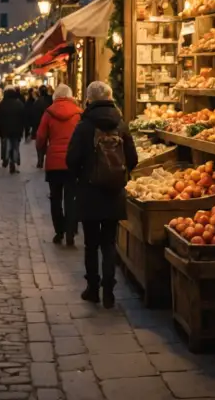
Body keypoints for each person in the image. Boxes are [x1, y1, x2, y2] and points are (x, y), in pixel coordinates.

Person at [66, 81, 138, 309]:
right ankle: (109, 292)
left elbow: (71, 159)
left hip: (89, 192)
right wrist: (120, 174)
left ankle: (92, 289)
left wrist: (82, 175)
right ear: (110, 97)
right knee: (109, 243)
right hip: (114, 192)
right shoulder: (121, 124)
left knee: (91, 244)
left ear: (89, 99)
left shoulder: (84, 126)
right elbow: (133, 158)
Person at [37, 84, 82, 245]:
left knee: (55, 198)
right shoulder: (78, 113)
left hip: (54, 162)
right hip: (73, 162)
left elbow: (41, 137)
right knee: (71, 197)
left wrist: (42, 153)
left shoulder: (49, 112)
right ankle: (70, 231)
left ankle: (59, 231)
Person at [0, 86, 25, 172]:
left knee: (7, 146)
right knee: (15, 147)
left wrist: (0, 130)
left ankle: (6, 159)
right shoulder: (19, 103)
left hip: (6, 130)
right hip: (16, 130)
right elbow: (23, 118)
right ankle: (14, 162)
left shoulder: (2, 104)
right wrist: (22, 129)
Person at [32, 86, 53, 167]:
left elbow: (34, 115)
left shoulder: (37, 102)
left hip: (39, 124)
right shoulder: (50, 100)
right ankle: (48, 158)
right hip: (50, 124)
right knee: (50, 142)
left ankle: (40, 160)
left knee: (40, 143)